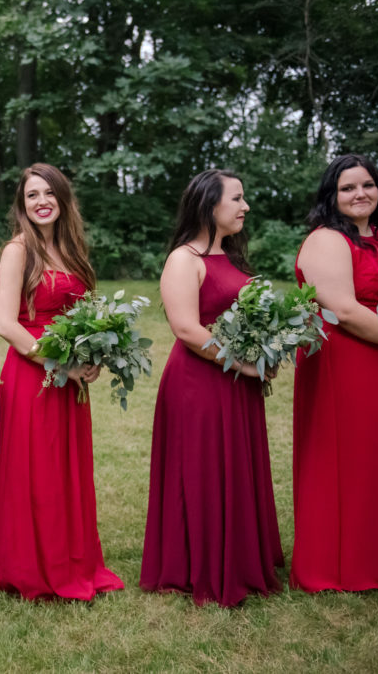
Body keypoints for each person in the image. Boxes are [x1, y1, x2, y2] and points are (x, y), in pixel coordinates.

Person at [139, 169, 283, 607]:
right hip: (199, 384)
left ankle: (239, 554)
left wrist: (266, 353)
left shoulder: (233, 258)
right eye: (237, 199)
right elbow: (186, 328)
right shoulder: (184, 259)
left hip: (237, 383)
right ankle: (198, 562)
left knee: (236, 465)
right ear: (209, 205)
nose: (245, 207)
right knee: (203, 470)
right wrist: (246, 363)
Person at [291, 154, 378, 595]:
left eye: (367, 185)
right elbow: (345, 311)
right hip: (346, 364)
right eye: (348, 188)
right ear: (332, 196)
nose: (360, 194)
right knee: (348, 459)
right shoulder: (327, 240)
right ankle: (340, 563)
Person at [0, 163, 123, 601]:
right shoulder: (18, 250)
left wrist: (93, 356)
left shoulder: (72, 249)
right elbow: (6, 324)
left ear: (63, 199)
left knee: (68, 469)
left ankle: (74, 559)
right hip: (33, 374)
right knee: (36, 471)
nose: (41, 201)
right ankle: (32, 566)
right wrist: (61, 362)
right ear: (22, 205)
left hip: (70, 378)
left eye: (49, 193)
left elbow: (86, 315)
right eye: (31, 195)